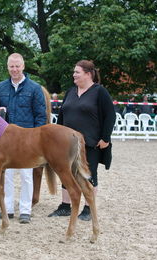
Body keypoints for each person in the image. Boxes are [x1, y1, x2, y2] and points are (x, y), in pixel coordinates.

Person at [48, 60, 115, 221]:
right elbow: (62, 116)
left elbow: (110, 116)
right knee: (67, 172)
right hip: (67, 143)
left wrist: (105, 138)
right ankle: (65, 205)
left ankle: (88, 208)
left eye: (77, 72)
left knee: (88, 174)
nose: (74, 75)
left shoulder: (99, 92)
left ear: (88, 74)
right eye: (74, 72)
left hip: (90, 143)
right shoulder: (71, 92)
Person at [0, 53, 47, 224]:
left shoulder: (35, 88)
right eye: (11, 66)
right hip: (6, 140)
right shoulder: (0, 88)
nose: (14, 70)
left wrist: (36, 138)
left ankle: (25, 210)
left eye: (17, 66)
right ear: (7, 67)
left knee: (26, 175)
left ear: (23, 66)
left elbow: (40, 115)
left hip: (27, 139)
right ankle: (7, 208)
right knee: (6, 175)